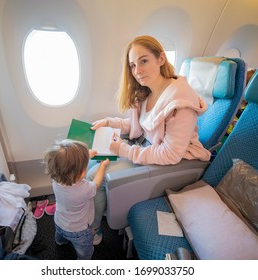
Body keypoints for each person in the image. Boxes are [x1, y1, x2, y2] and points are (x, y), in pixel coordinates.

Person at [87, 35, 211, 245]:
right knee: (91, 162)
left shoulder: (180, 102)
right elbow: (137, 126)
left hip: (174, 163)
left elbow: (171, 154)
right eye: (133, 65)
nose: (137, 71)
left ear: (161, 59)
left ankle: (93, 231)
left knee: (94, 179)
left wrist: (124, 150)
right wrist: (109, 122)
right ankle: (100, 211)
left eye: (144, 61)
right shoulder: (148, 93)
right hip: (147, 150)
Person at [43, 139, 110, 260]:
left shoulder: (56, 180)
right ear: (79, 173)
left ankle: (60, 242)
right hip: (79, 231)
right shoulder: (84, 189)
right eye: (84, 166)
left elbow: (68, 166)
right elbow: (97, 183)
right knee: (85, 251)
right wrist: (102, 166)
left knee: (60, 238)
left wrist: (86, 156)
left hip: (59, 221)